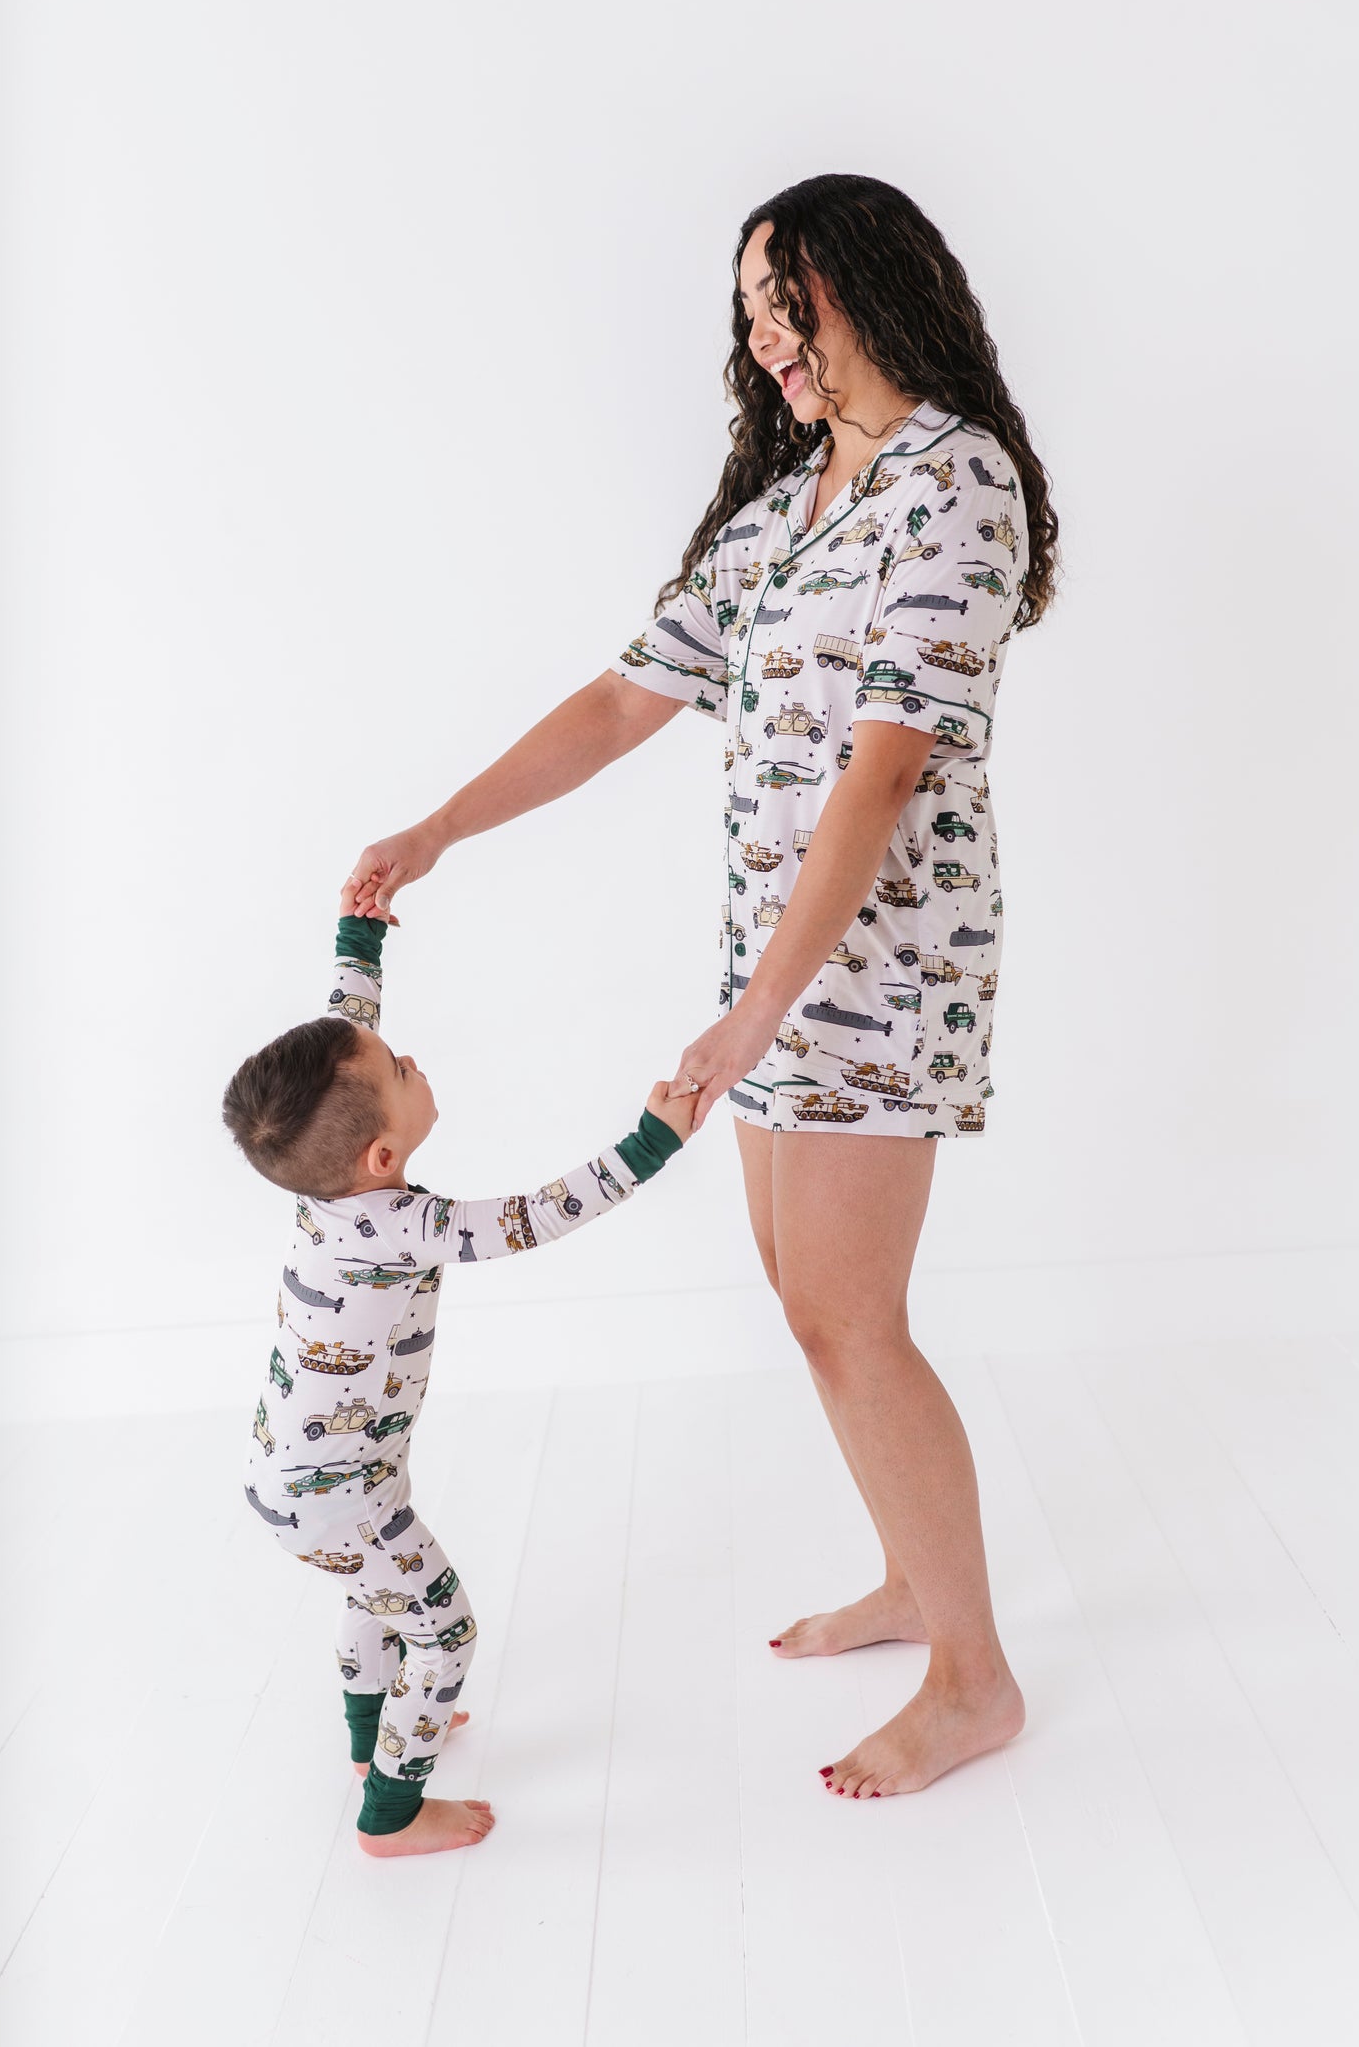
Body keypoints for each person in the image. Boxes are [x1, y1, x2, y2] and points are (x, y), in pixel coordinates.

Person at [343, 173, 1060, 1802]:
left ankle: (975, 1679)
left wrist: (750, 1018)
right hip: (771, 969)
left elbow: (883, 773)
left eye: (782, 298)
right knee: (811, 1307)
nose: (765, 335)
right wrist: (438, 829)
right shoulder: (788, 503)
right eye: (747, 309)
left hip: (883, 972)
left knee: (853, 1318)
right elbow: (621, 702)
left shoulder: (956, 483)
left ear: (864, 283)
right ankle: (915, 1580)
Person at [222, 894, 694, 1857]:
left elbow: (345, 1030)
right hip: (342, 1493)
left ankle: (370, 1744)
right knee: (442, 1633)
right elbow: (532, 1216)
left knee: (375, 1597)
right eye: (401, 1070)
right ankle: (391, 1814)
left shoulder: (320, 1183)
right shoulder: (405, 1225)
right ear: (382, 1153)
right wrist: (649, 1145)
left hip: (300, 1480)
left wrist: (359, 936)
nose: (410, 1059)